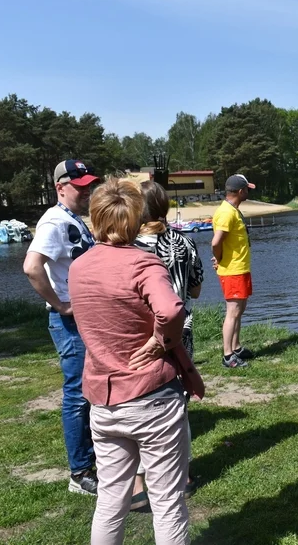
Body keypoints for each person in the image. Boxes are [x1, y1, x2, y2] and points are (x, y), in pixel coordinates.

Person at [69, 178, 203, 544]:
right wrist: (163, 341)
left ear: (95, 221)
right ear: (135, 220)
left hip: (103, 400)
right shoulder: (144, 264)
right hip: (152, 398)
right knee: (167, 502)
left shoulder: (79, 267)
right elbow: (173, 307)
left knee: (111, 500)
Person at [23, 159, 100, 496]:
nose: (86, 191)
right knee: (77, 395)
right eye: (79, 185)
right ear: (60, 187)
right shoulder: (54, 221)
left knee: (88, 391)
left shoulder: (71, 219)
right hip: (69, 320)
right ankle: (79, 472)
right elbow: (31, 267)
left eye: (88, 185)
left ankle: (92, 458)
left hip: (82, 316)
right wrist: (60, 304)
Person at [133, 181, 204, 505]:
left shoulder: (128, 247)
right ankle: (183, 474)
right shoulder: (186, 243)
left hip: (138, 335)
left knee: (133, 403)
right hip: (180, 333)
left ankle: (136, 486)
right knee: (177, 405)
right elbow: (195, 290)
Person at [211, 174, 256, 368]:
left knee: (240, 310)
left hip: (240, 268)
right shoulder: (226, 213)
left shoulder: (233, 210)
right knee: (233, 311)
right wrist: (220, 259)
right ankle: (228, 355)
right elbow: (215, 242)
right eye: (247, 189)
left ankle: (236, 347)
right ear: (240, 191)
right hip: (232, 271)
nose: (248, 192)